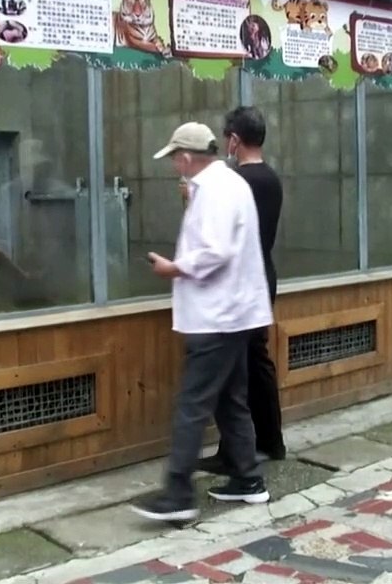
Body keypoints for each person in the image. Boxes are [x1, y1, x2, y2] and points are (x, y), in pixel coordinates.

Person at [132, 122, 274, 522]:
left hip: (217, 316)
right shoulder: (231, 184)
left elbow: (215, 251)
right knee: (231, 399)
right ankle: (248, 480)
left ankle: (178, 494)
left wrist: (174, 268)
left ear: (189, 156)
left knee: (193, 404)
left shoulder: (213, 190)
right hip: (235, 313)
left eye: (176, 157)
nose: (175, 164)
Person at [194, 107, 285, 476]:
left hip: (243, 281)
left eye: (226, 137)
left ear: (233, 139)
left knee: (237, 370)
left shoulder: (238, 183)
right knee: (255, 361)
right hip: (264, 274)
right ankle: (269, 441)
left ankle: (238, 452)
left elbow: (219, 238)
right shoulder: (271, 178)